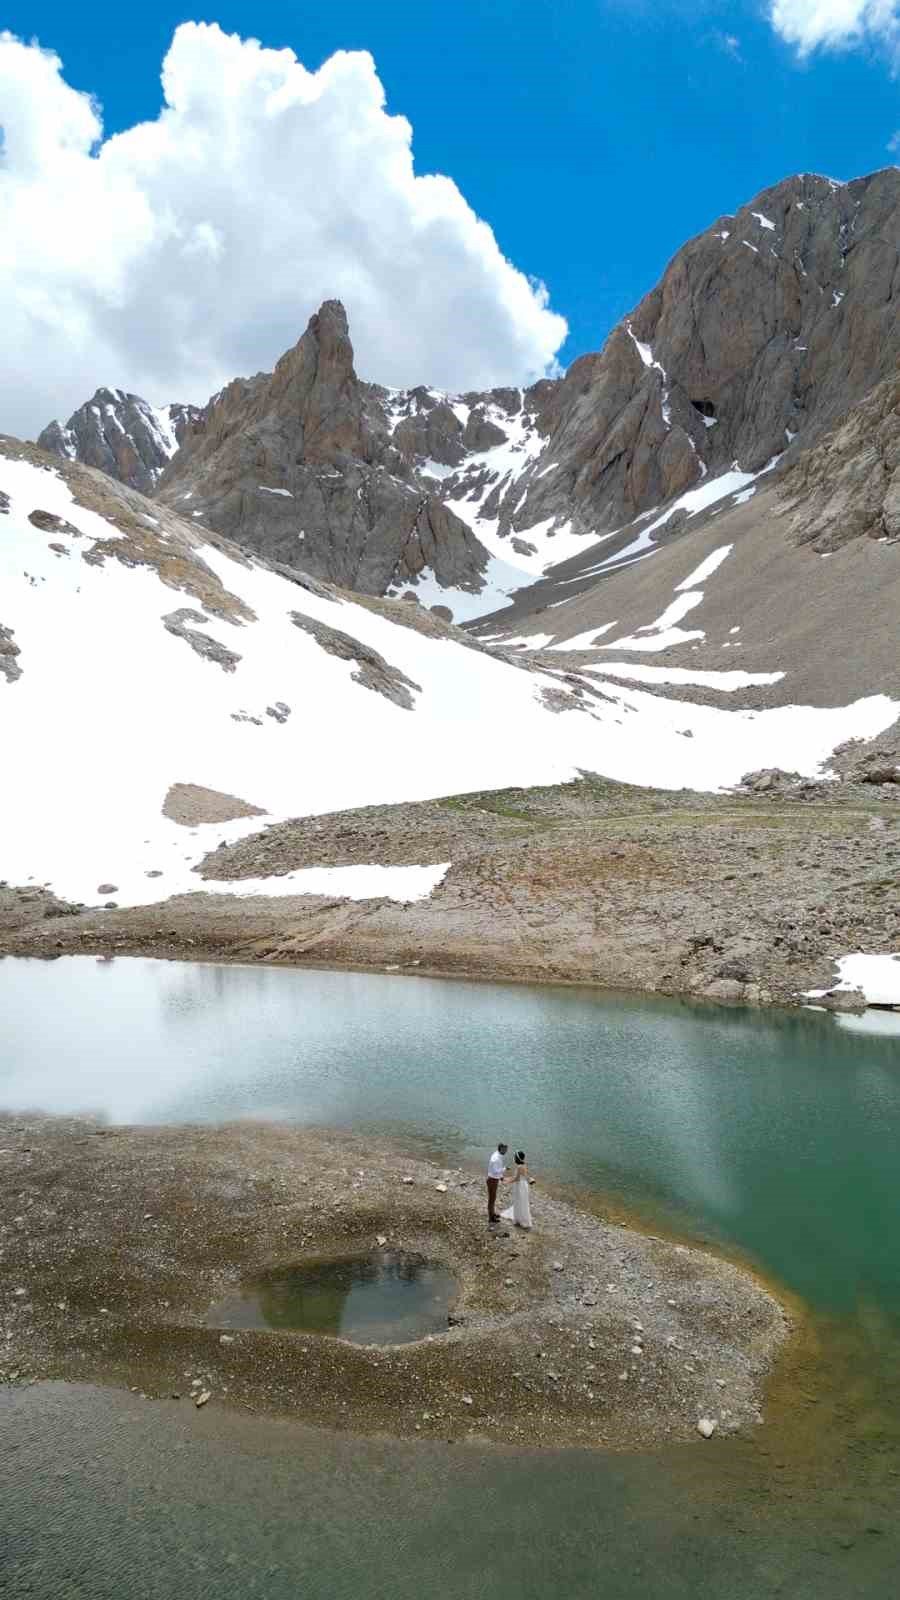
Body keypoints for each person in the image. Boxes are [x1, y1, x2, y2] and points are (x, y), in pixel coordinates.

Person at [501, 1150, 533, 1230]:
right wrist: (506, 1179)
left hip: (520, 1186)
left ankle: (520, 1220)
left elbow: (517, 1178)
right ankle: (521, 1218)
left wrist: (507, 1181)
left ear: (517, 1158)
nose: (513, 1158)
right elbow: (521, 1176)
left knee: (519, 1201)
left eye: (514, 1157)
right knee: (522, 1202)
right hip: (523, 1185)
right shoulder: (524, 1165)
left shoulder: (519, 1167)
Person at [486, 1142, 508, 1225]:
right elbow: (495, 1171)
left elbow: (496, 1169)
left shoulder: (497, 1154)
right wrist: (504, 1169)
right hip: (492, 1180)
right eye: (505, 1149)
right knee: (492, 1199)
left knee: (493, 1198)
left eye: (506, 1149)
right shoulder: (496, 1158)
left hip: (493, 1179)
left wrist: (501, 1176)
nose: (506, 1151)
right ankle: (491, 1218)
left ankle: (493, 1213)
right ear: (501, 1149)